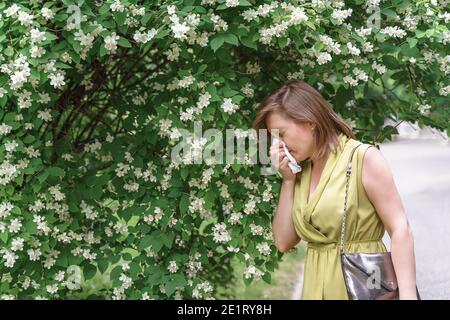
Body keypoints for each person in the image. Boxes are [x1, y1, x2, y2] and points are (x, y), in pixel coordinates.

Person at [252, 79, 419, 300]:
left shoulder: (362, 158)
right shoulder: (300, 171)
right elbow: (283, 242)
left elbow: (400, 229)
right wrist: (288, 182)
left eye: (281, 134)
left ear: (309, 121)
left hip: (362, 284)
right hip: (315, 286)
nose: (278, 146)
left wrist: (408, 295)